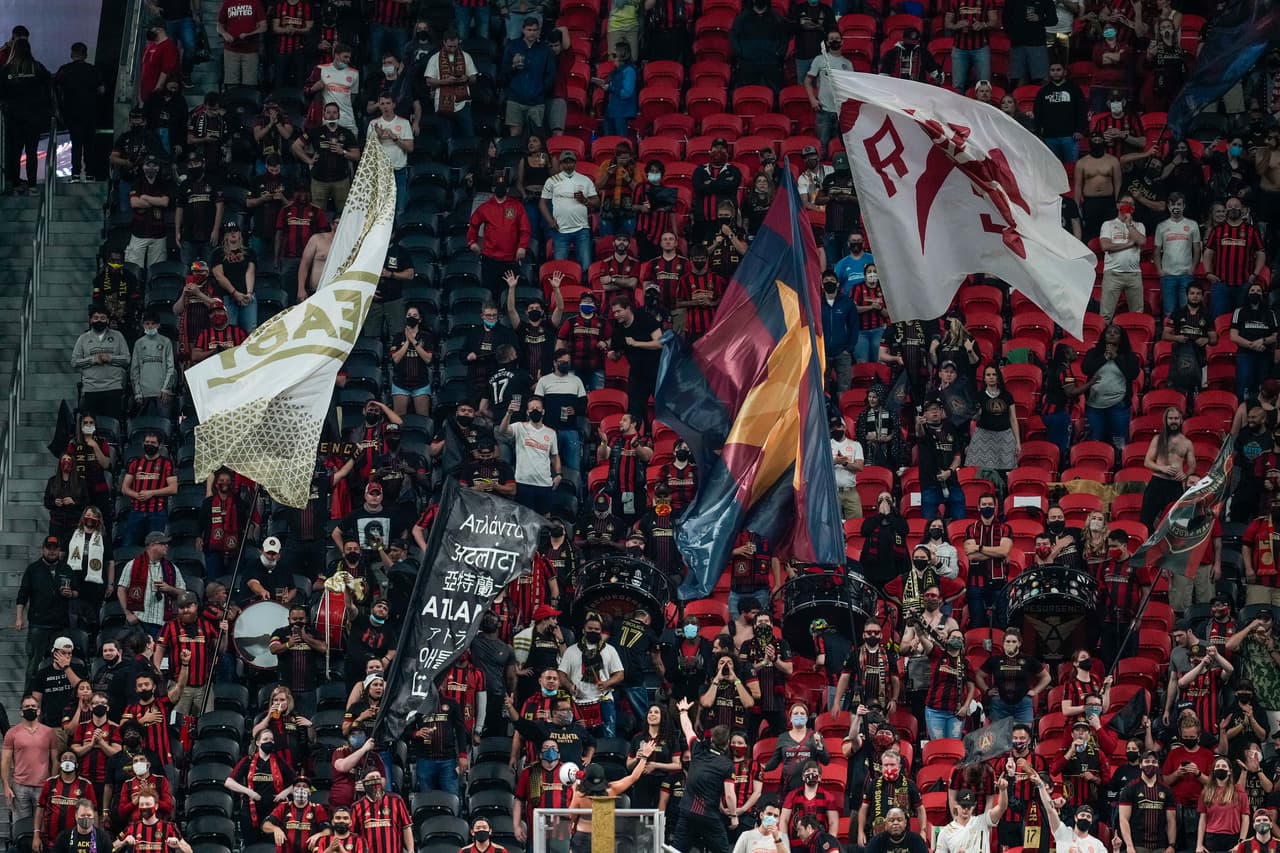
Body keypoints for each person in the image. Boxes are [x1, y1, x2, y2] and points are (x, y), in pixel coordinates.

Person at [674, 698, 737, 853]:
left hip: (687, 811)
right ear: (727, 743)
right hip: (708, 816)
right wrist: (734, 815)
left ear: (712, 739)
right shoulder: (727, 764)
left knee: (676, 850)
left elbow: (688, 729)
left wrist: (683, 711)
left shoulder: (697, 749)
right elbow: (729, 795)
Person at [16, 538, 78, 683]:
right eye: (48, 548)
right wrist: (19, 618)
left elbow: (77, 591)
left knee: (61, 664)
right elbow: (22, 595)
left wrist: (71, 594)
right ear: (42, 549)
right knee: (33, 666)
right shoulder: (33, 569)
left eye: (55, 548)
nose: (51, 551)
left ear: (59, 551)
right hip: (38, 624)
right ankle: (28, 701)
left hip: (60, 625)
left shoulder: (66, 568)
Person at [540, 150, 597, 274]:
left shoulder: (585, 180)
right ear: (560, 164)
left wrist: (584, 200)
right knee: (559, 268)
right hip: (560, 230)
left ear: (575, 163)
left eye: (571, 162)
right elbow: (542, 203)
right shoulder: (552, 180)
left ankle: (585, 291)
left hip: (582, 229)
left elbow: (596, 202)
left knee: (586, 266)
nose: (568, 165)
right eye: (565, 162)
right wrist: (550, 221)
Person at [72, 305, 131, 423]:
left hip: (113, 389)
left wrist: (110, 358)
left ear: (108, 320)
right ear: (90, 320)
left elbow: (127, 359)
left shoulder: (118, 336)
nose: (99, 320)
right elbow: (74, 362)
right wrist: (92, 360)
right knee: (90, 428)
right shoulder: (83, 338)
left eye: (103, 318)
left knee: (113, 425)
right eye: (96, 317)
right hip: (90, 390)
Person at [34, 751, 96, 850]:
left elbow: (94, 812)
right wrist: (36, 836)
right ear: (59, 763)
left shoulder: (86, 785)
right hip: (50, 841)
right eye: (65, 758)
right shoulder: (50, 783)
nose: (68, 760)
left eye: (71, 758)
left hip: (76, 841)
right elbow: (40, 809)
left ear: (76, 764)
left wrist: (93, 838)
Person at [936, 781, 1009, 853]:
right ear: (956, 804)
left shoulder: (983, 821)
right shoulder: (945, 832)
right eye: (963, 806)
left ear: (974, 806)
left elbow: (1001, 808)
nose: (965, 809)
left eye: (968, 806)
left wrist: (1003, 790)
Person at [349, 770, 412, 853]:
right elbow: (353, 834)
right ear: (364, 783)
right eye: (372, 778)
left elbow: (406, 827)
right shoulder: (357, 806)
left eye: (378, 777)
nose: (375, 780)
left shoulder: (396, 800)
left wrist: (411, 850)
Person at [216, 0, 267, 86]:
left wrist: (249, 34)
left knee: (249, 84)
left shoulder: (255, 3)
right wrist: (224, 34)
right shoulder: (227, 3)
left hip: (250, 50)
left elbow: (264, 26)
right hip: (231, 50)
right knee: (231, 84)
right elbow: (219, 26)